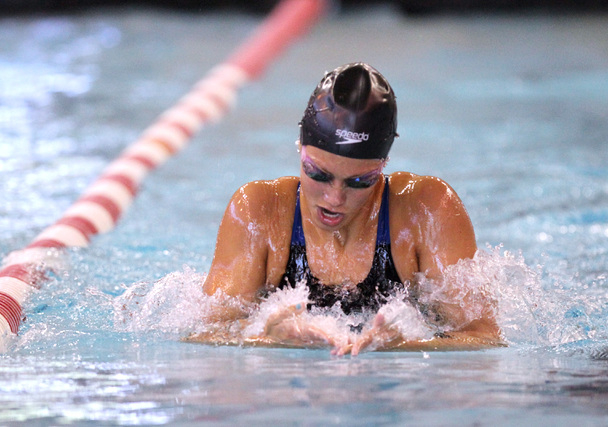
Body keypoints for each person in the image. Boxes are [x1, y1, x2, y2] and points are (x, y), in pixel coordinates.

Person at [197, 62, 502, 355]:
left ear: (382, 166)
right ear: (300, 147)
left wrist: (409, 346)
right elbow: (204, 335)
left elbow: (484, 337)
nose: (334, 198)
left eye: (359, 181)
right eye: (318, 174)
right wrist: (267, 336)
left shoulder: (426, 211)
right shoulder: (258, 212)